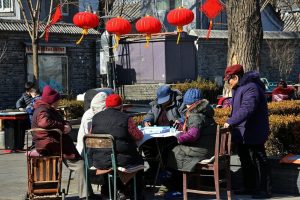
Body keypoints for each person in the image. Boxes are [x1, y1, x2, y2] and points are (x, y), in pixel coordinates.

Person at [31, 85, 94, 199]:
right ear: (52, 101)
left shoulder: (47, 109)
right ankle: (86, 196)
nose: (59, 102)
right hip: (52, 145)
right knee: (80, 165)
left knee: (80, 163)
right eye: (57, 100)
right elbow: (44, 123)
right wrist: (62, 127)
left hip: (53, 143)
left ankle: (87, 194)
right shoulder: (43, 110)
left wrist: (67, 126)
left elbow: (62, 121)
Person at [223, 64, 272, 199]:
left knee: (259, 159)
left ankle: (265, 190)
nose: (228, 83)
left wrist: (231, 121)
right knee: (245, 160)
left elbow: (247, 108)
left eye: (229, 80)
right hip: (242, 131)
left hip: (253, 130)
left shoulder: (251, 88)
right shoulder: (239, 88)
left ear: (236, 77)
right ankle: (249, 186)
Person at [164, 88, 217, 198]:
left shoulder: (195, 115)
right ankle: (174, 181)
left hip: (202, 150)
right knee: (176, 150)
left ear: (192, 104)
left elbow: (193, 135)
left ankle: (177, 187)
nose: (186, 106)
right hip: (209, 148)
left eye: (187, 104)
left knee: (175, 151)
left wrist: (179, 138)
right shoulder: (205, 112)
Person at [91, 94, 144, 200]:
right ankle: (135, 194)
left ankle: (112, 190)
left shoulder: (96, 118)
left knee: (113, 160)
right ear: (121, 106)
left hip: (99, 161)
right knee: (139, 160)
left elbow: (91, 136)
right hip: (120, 160)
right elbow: (138, 136)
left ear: (106, 105)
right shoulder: (126, 118)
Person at [142, 85, 186, 196]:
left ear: (171, 96)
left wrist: (180, 120)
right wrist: (147, 121)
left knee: (168, 151)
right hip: (158, 135)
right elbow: (149, 115)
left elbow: (187, 115)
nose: (163, 103)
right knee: (146, 146)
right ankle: (155, 171)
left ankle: (166, 180)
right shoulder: (156, 104)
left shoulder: (179, 103)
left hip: (172, 136)